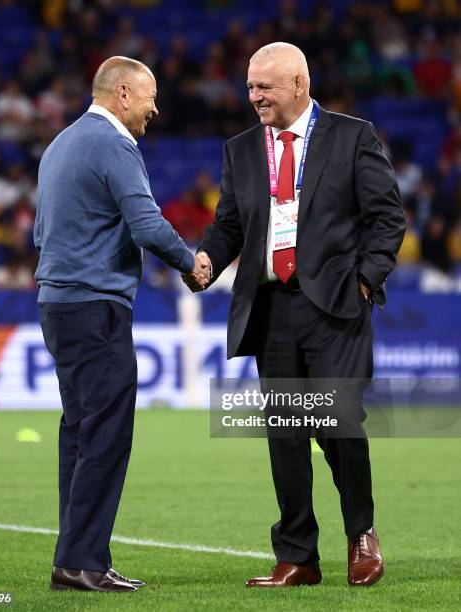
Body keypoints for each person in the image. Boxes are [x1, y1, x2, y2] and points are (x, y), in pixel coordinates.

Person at [184, 43, 406, 588]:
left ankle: (362, 534)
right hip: (271, 306)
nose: (253, 97)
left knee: (338, 420)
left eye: (265, 87)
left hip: (336, 306)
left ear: (299, 84)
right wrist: (208, 259)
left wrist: (363, 280)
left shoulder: (354, 136)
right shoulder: (240, 149)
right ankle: (298, 555)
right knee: (285, 431)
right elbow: (230, 223)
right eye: (250, 87)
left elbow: (387, 219)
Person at [34, 56, 209, 593]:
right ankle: (83, 561)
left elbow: (44, 230)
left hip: (58, 303)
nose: (156, 108)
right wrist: (190, 261)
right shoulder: (114, 145)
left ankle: (74, 558)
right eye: (150, 96)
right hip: (94, 306)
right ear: (124, 94)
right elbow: (146, 222)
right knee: (106, 432)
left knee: (80, 431)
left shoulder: (60, 144)